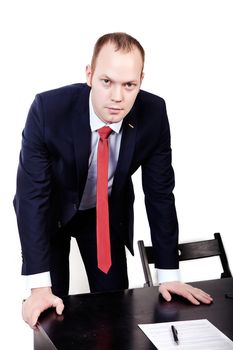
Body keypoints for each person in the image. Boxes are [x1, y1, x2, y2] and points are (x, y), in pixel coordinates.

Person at [14, 32, 213, 329]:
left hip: (103, 214)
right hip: (50, 212)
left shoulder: (154, 113)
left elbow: (160, 194)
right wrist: (38, 287)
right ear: (90, 74)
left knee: (116, 307)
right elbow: (32, 196)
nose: (118, 97)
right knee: (49, 312)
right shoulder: (48, 110)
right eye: (107, 81)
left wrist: (169, 275)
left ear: (141, 81)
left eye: (129, 85)